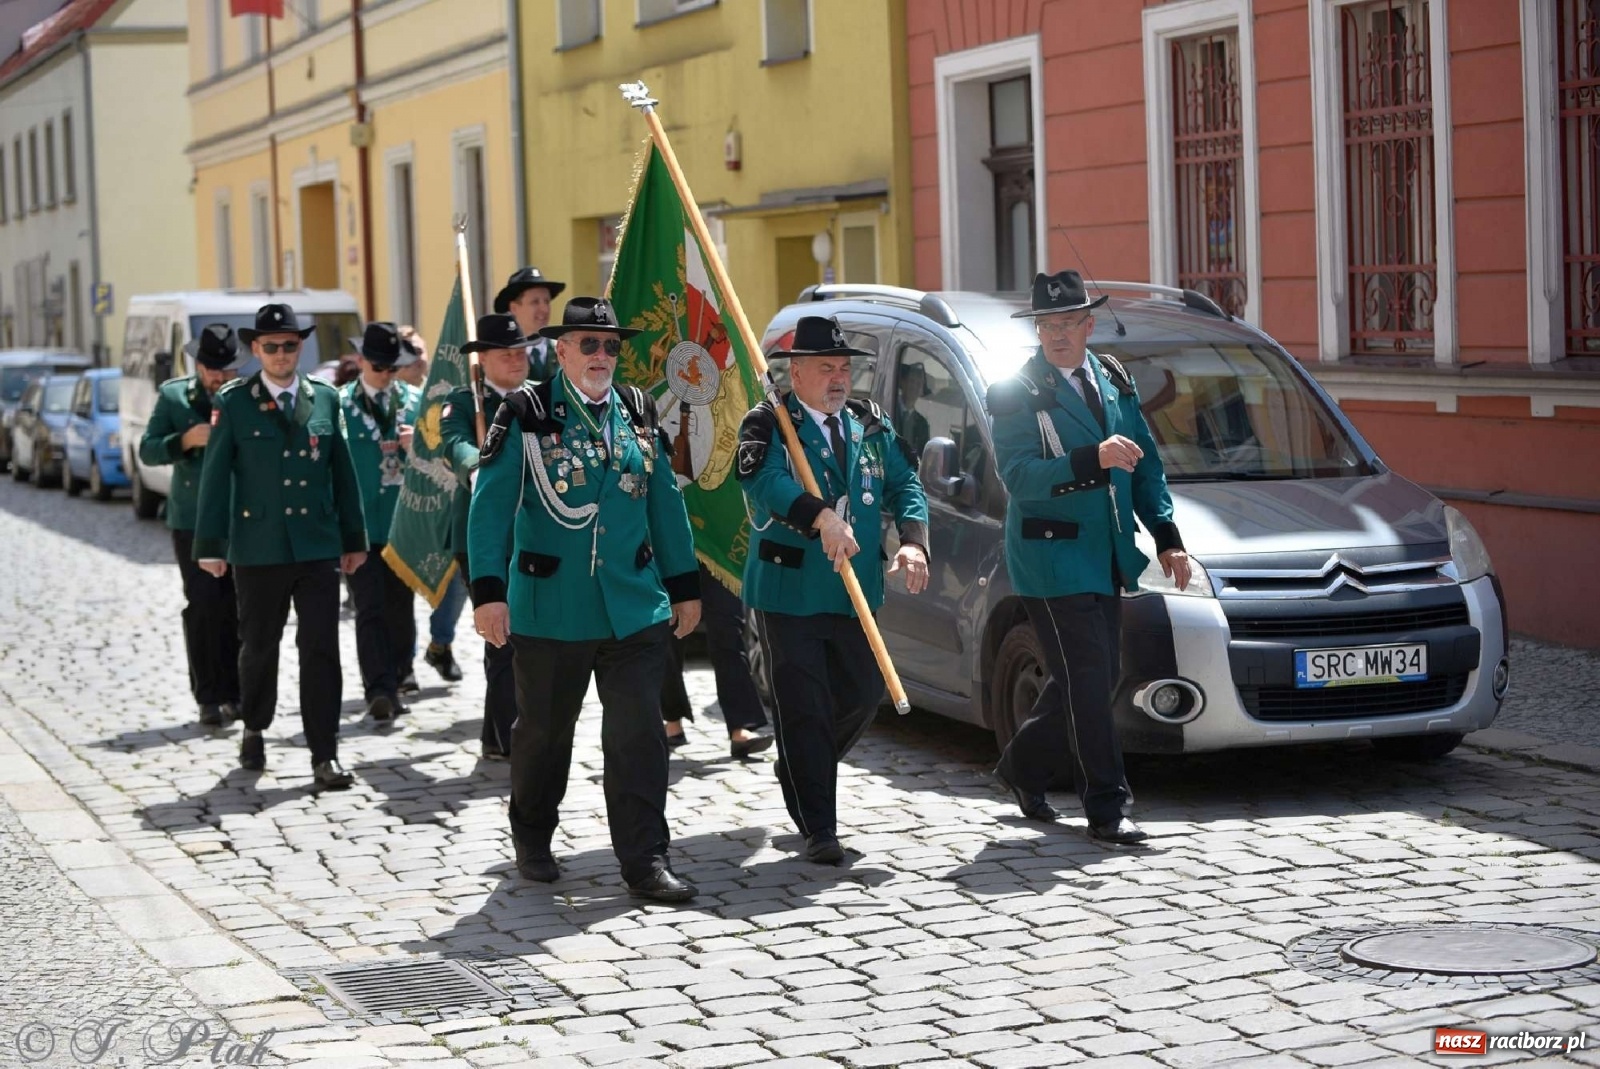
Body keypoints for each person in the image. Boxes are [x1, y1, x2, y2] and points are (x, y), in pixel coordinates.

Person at [469, 297, 702, 902]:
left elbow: (662, 503)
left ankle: (645, 859)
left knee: (637, 736)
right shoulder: (525, 411)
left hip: (632, 603)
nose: (602, 355)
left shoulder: (638, 408)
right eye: (588, 344)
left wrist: (684, 585)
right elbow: (490, 508)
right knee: (545, 733)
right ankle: (533, 833)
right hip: (553, 606)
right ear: (561, 350)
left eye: (610, 345)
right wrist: (489, 595)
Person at [985, 270, 1191, 845]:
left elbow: (1144, 462)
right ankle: (1106, 807)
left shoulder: (1113, 377)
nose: (1057, 335)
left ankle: (1023, 767)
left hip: (1106, 554)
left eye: (1068, 323)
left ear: (1088, 325)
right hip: (1049, 557)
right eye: (1046, 325)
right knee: (1088, 676)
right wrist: (1090, 459)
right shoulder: (1014, 391)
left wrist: (1167, 536)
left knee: (1097, 675)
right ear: (1036, 330)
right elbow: (1019, 476)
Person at [736, 315, 930, 864]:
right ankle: (820, 828)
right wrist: (819, 516)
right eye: (827, 367)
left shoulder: (869, 423)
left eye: (845, 367)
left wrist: (914, 541)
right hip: (789, 593)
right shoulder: (770, 422)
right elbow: (764, 482)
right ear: (796, 372)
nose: (839, 378)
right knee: (805, 710)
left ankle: (801, 765)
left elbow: (905, 482)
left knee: (864, 695)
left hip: (855, 593)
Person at [193, 302, 368, 789]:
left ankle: (324, 753)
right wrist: (211, 544)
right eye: (270, 347)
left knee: (321, 649)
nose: (280, 354)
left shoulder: (326, 399)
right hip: (258, 546)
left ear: (300, 347)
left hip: (316, 545)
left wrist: (354, 539)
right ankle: (254, 726)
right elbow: (215, 479)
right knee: (259, 648)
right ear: (255, 350)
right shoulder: (234, 401)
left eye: (289, 346)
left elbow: (343, 474)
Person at [139, 324, 247, 728]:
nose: (219, 377)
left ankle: (237, 692)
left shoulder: (248, 397)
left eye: (227, 369)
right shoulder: (173, 396)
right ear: (198, 365)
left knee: (239, 608)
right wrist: (182, 441)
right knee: (204, 607)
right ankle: (209, 695)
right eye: (212, 369)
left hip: (241, 519)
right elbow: (147, 450)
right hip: (193, 521)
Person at [442, 313, 530, 759]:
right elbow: (452, 442)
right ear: (483, 360)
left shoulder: (539, 399)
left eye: (521, 352)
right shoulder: (464, 403)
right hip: (482, 536)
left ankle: (504, 730)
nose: (517, 360)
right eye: (506, 354)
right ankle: (504, 734)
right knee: (500, 635)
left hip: (534, 532)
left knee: (529, 639)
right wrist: (479, 465)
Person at [341, 322, 422, 722]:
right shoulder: (339, 405)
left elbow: (438, 463)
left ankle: (399, 671)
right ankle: (379, 689)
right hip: (360, 526)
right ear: (360, 362)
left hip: (403, 525)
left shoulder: (415, 401)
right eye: (379, 367)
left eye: (393, 368)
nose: (387, 375)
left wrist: (418, 447)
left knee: (401, 610)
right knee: (369, 607)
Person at [398, 325, 468, 684]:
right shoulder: (398, 399)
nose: (420, 357)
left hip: (444, 498)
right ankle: (403, 661)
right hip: (406, 503)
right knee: (402, 587)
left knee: (454, 579)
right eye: (409, 351)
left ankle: (441, 643)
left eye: (420, 348)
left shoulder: (441, 392)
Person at [660, 565, 773, 759]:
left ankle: (740, 727)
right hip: (674, 549)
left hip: (719, 550)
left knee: (729, 632)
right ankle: (672, 720)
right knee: (668, 637)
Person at [493, 267, 565, 381]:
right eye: (535, 302)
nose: (544, 309)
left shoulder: (564, 351)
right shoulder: (501, 357)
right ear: (514, 308)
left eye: (546, 301)